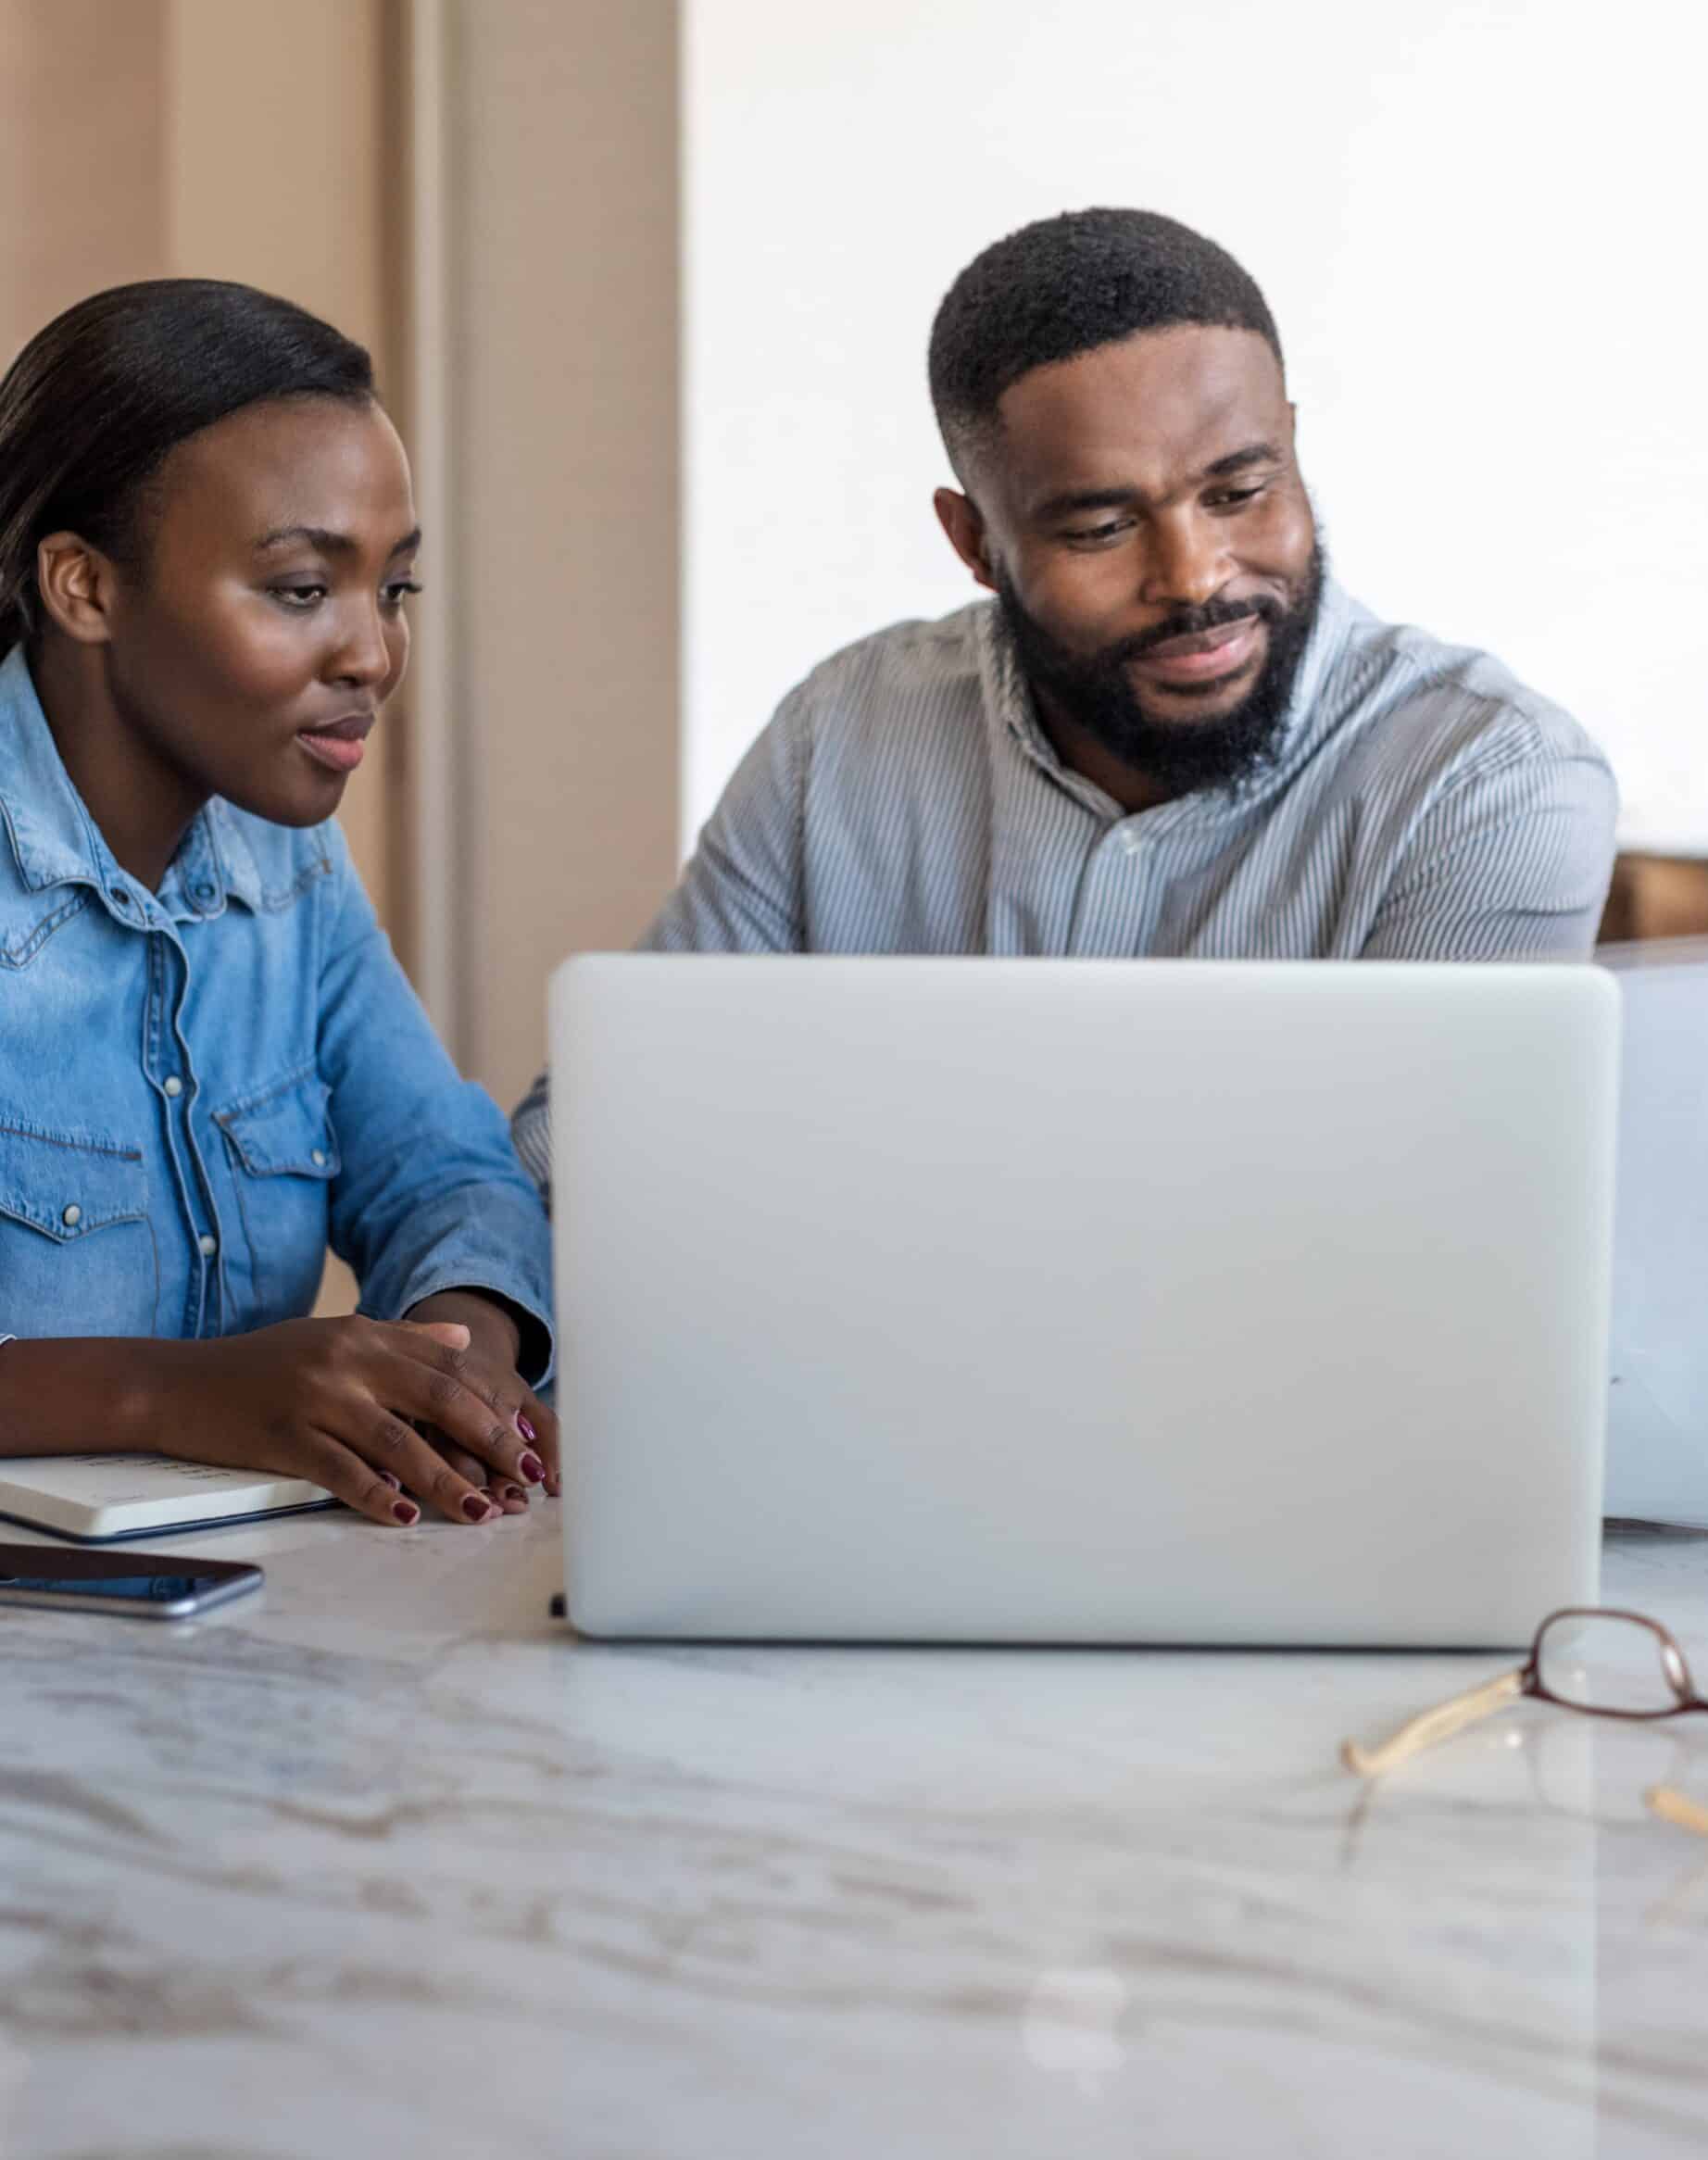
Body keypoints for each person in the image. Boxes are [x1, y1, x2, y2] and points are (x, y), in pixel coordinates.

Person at [511, 207, 1616, 1192]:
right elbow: (602, 1135)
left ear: (1292, 446)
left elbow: (1423, 1228)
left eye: (1241, 489)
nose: (1194, 576)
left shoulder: (1490, 781)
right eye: (1099, 527)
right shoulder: (841, 737)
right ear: (974, 542)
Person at [0, 280, 555, 1528]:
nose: (372, 654)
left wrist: (451, 1377)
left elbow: (441, 1176)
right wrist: (161, 1395)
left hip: (235, 1630)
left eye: (393, 589)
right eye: (304, 590)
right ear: (85, 587)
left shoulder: (282, 857)